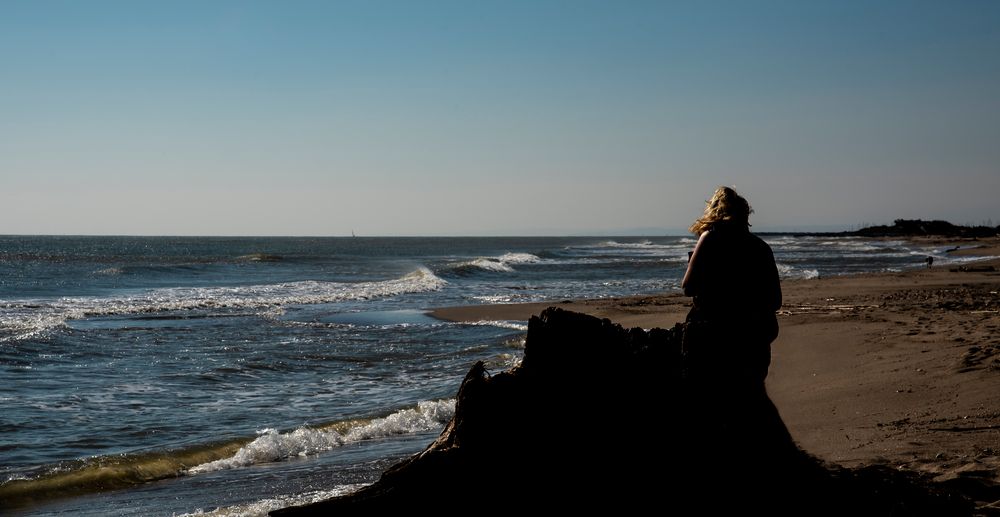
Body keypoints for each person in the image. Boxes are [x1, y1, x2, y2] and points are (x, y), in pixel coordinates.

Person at [680, 186, 782, 388]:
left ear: (716, 212)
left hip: (714, 338)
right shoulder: (761, 247)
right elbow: (776, 301)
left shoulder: (710, 238)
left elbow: (688, 287)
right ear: (745, 215)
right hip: (754, 340)